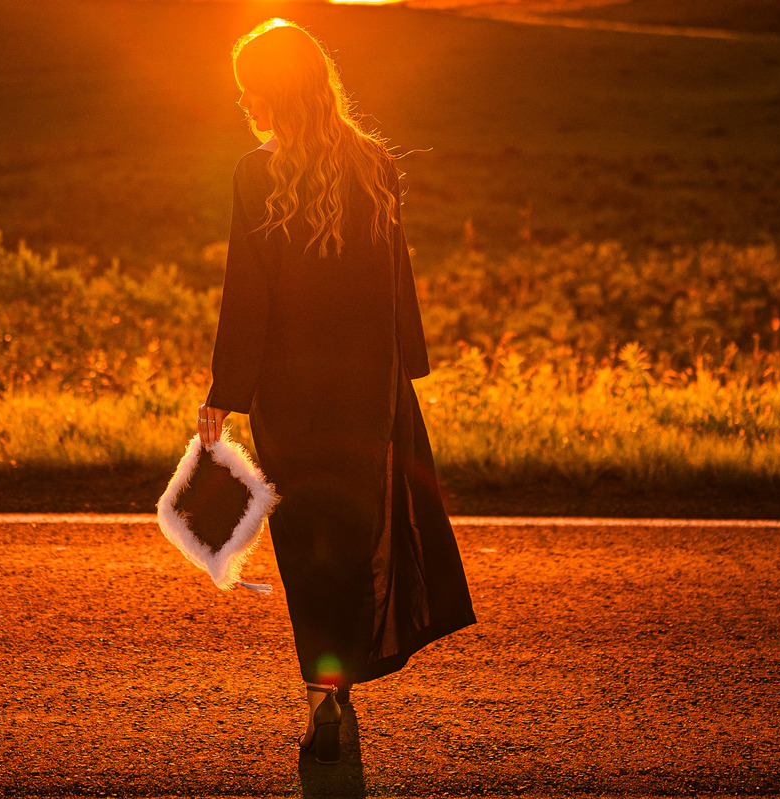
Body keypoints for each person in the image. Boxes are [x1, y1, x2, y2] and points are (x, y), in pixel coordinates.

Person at [197, 18, 477, 764]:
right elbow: (396, 284)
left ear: (267, 90)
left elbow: (246, 294)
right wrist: (405, 371)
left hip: (291, 397)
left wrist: (225, 390)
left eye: (247, 88)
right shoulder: (375, 165)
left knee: (308, 545)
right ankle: (342, 682)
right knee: (357, 539)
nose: (243, 101)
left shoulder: (255, 175)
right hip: (367, 388)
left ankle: (324, 698)